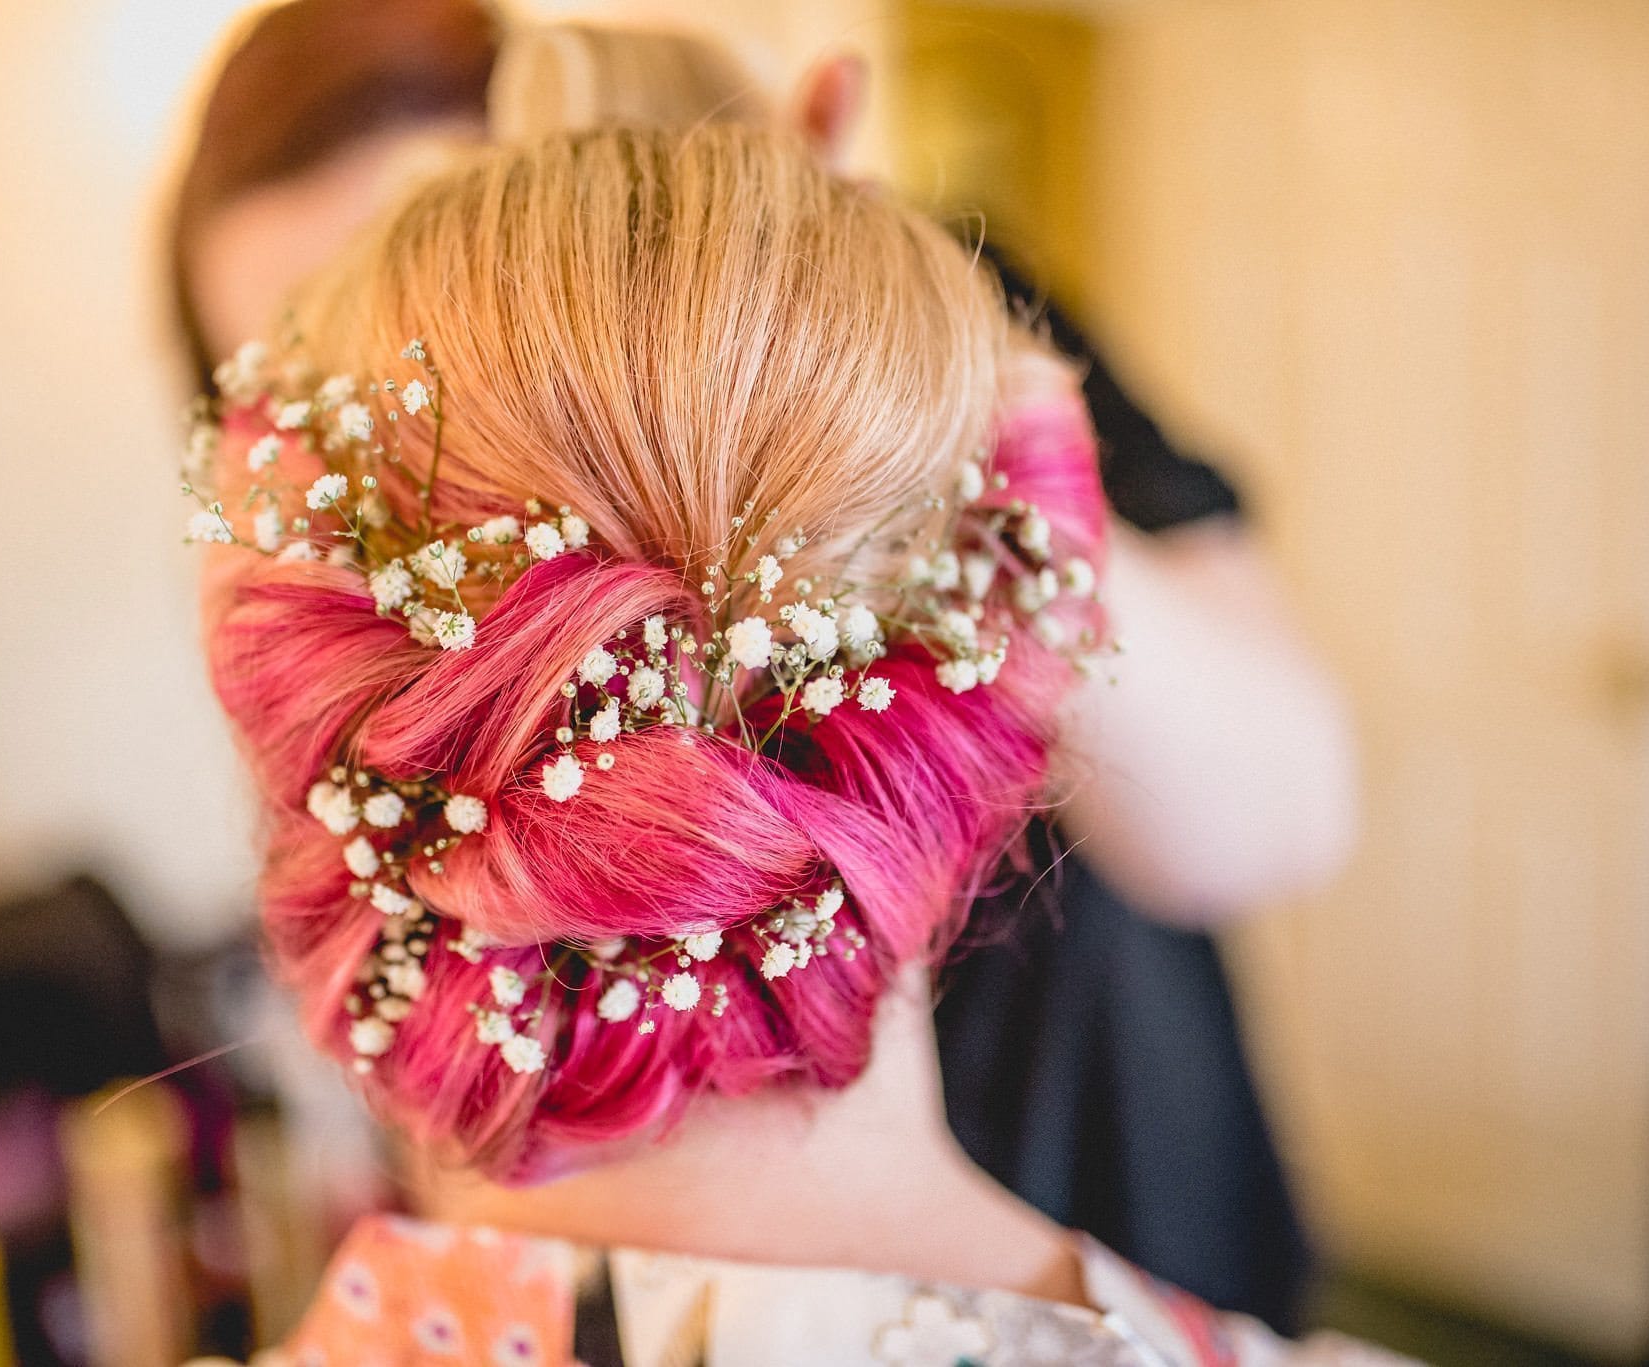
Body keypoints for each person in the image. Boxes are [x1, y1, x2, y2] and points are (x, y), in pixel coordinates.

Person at [164, 5, 1356, 1332]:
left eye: (451, 272)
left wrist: (880, 403)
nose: (443, 440)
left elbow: (1287, 811)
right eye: (325, 379)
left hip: (1121, 1160)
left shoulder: (933, 335)